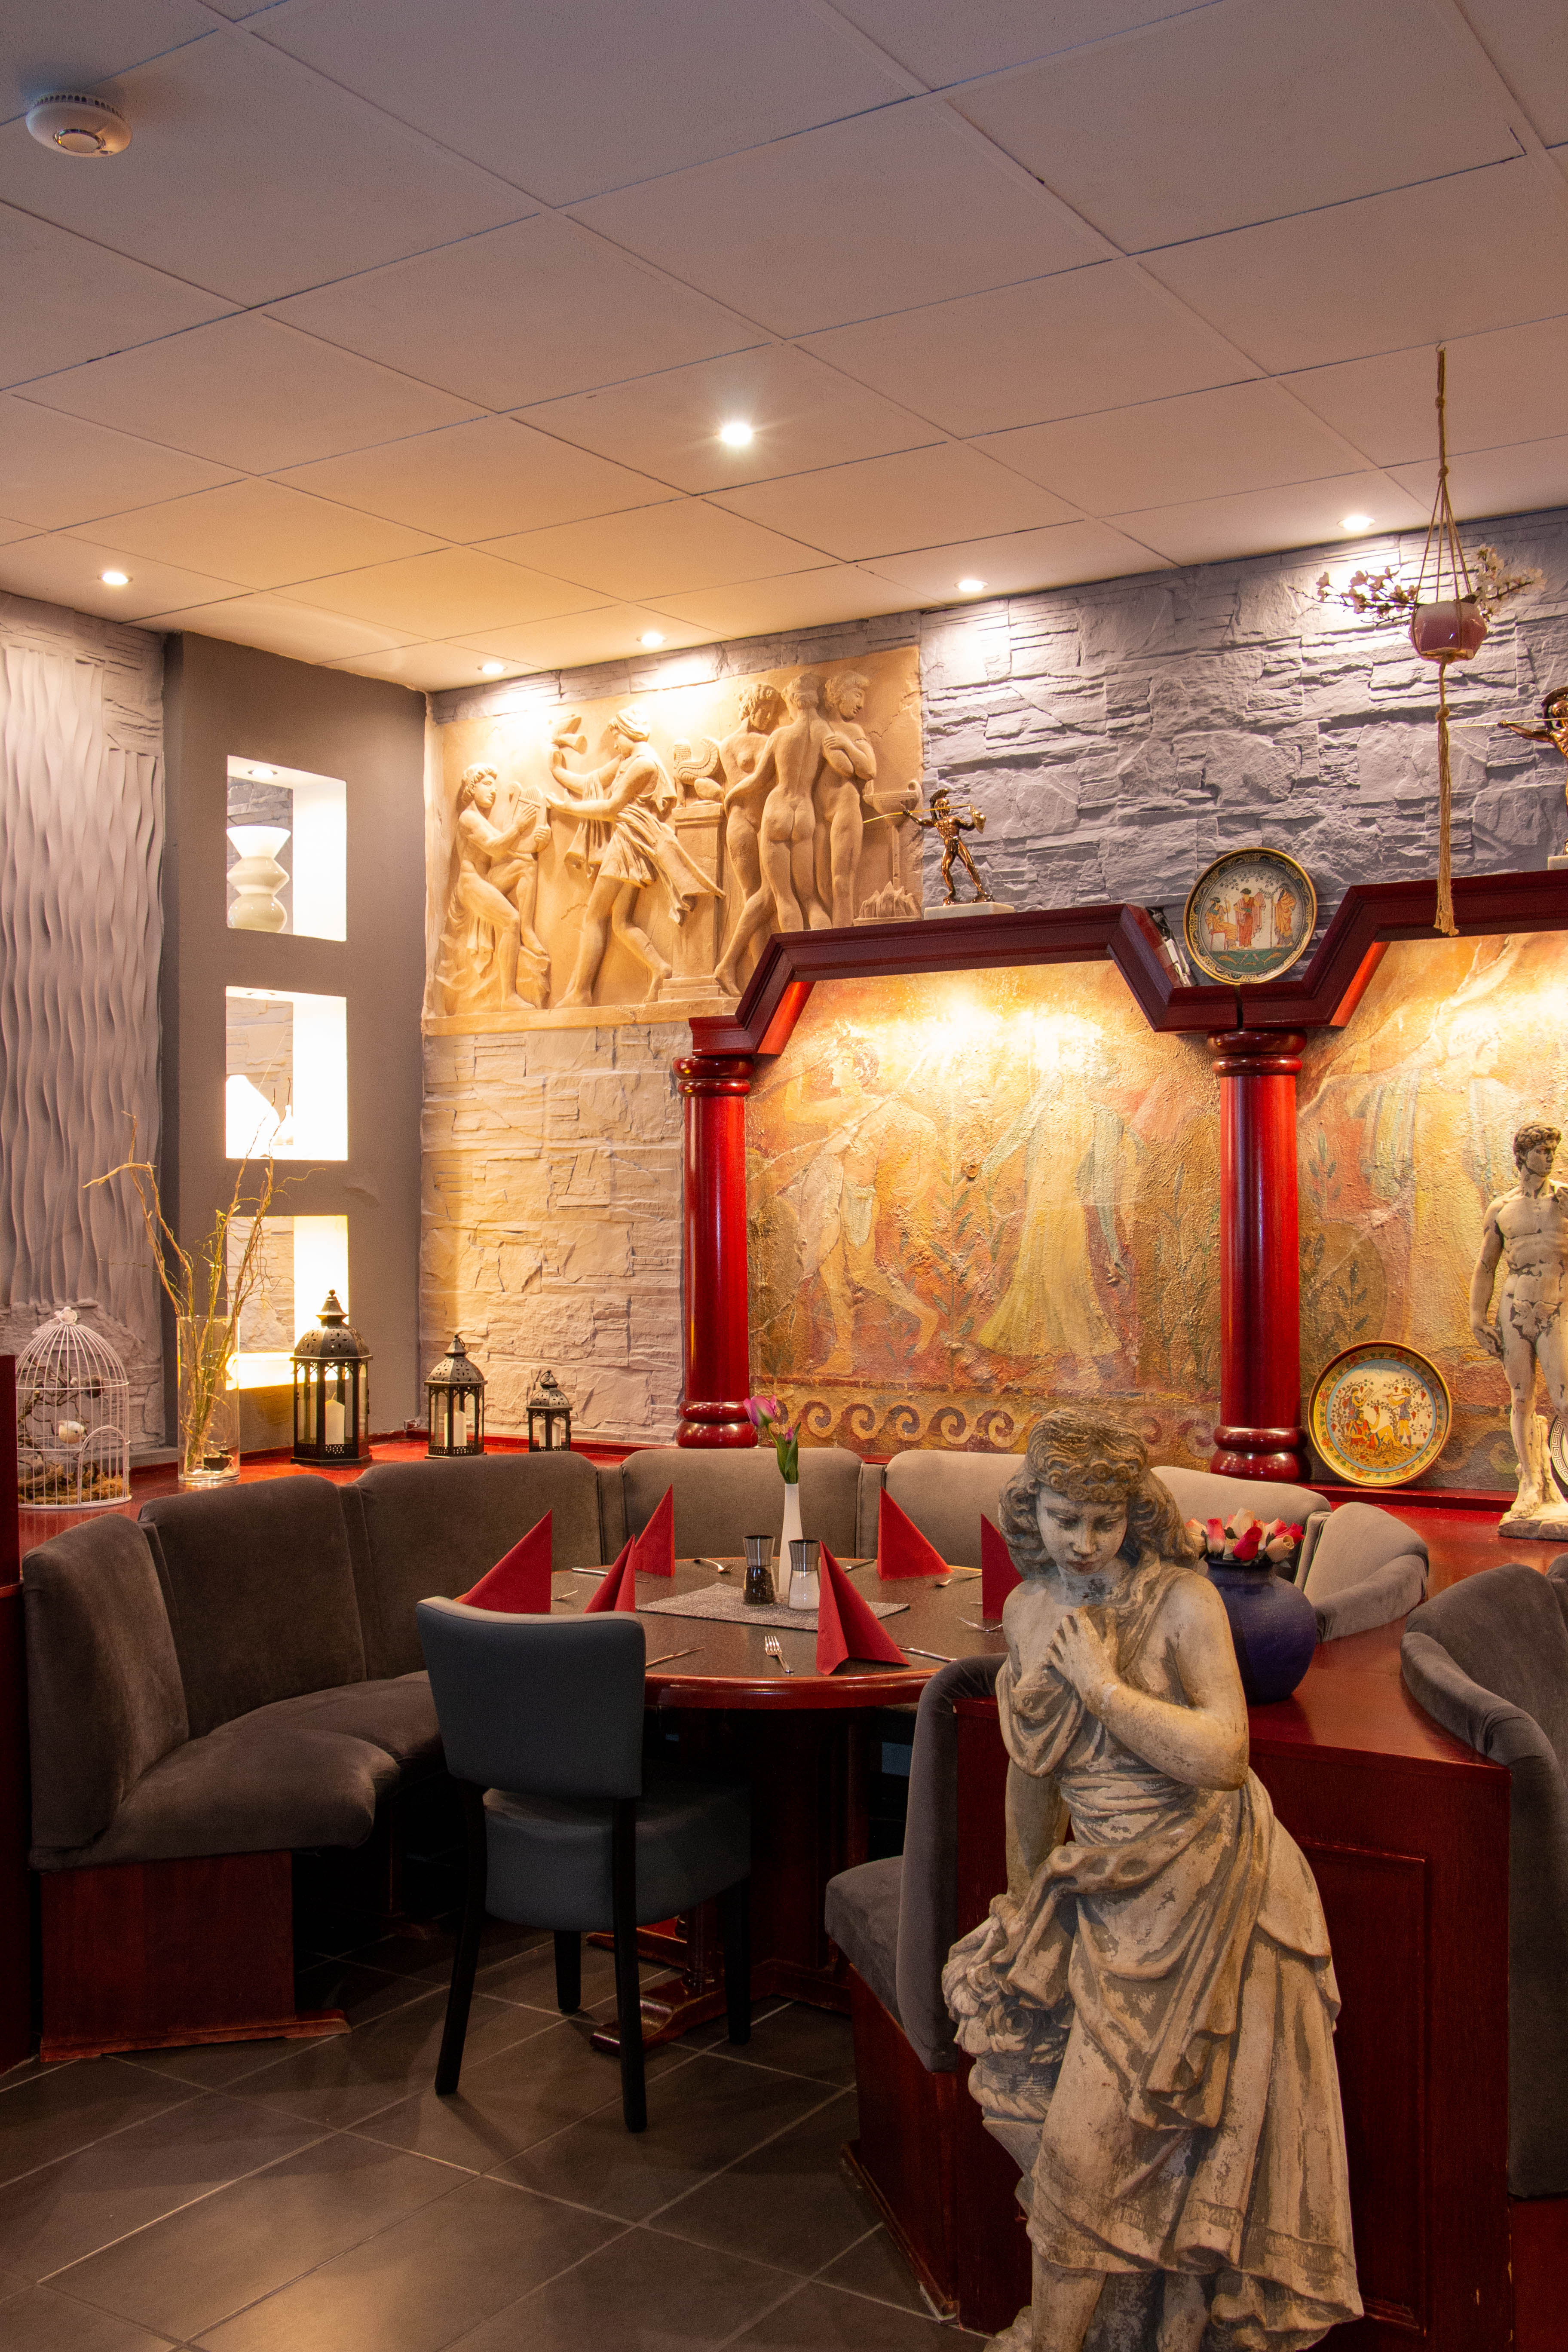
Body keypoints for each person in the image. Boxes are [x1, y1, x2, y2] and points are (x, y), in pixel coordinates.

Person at [944, 1406, 1360, 2352]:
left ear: (1135, 1515)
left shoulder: (1181, 1602)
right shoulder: (1028, 1610)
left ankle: (1078, 2339)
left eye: (1104, 1521)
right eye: (1064, 1519)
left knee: (1122, 2142)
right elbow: (1031, 1775)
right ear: (1030, 1511)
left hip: (1209, 1886)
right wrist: (1021, 1905)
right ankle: (1128, 2321)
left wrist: (1103, 1687)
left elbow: (1223, 1755)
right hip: (1099, 1888)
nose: (1083, 1543)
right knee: (1024, 2092)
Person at [548, 708, 717, 1008]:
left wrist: (567, 809)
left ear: (629, 731)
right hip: (628, 842)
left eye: (616, 736)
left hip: (628, 844)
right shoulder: (627, 761)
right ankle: (660, 968)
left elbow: (610, 809)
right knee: (620, 921)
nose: (614, 744)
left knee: (594, 915)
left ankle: (581, 993)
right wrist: (557, 771)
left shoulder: (644, 765)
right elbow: (590, 782)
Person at [1469, 1119, 1568, 1516]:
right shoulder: (1502, 1208)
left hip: (1557, 1305)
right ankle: (1530, 1481)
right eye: (1542, 1151)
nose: (1549, 1157)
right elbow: (1486, 1266)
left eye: (1552, 1151)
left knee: (1564, 1399)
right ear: (1523, 1156)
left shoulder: (1565, 1200)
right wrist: (1477, 1318)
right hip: (1515, 1307)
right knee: (1522, 1397)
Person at [445, 763, 548, 1009]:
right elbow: (495, 848)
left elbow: (511, 849)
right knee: (510, 920)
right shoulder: (468, 819)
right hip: (471, 884)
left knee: (527, 866)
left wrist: (540, 842)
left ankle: (527, 930)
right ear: (473, 788)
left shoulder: (481, 820)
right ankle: (508, 998)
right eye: (487, 785)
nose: (493, 791)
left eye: (494, 786)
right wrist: (518, 827)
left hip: (487, 879)